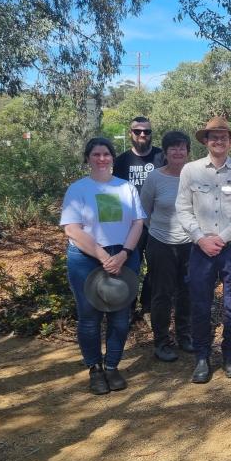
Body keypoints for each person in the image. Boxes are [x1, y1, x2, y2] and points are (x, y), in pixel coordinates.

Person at [60, 137, 145, 394]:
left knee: (120, 317)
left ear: (112, 157)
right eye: (96, 154)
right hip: (86, 259)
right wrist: (102, 255)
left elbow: (137, 223)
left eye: (106, 154)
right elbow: (71, 228)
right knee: (89, 318)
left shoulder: (126, 187)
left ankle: (112, 367)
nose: (101, 159)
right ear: (87, 158)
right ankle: (95, 369)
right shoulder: (78, 189)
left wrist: (123, 254)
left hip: (123, 255)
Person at [176, 117, 231, 384]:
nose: (219, 140)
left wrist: (220, 238)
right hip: (200, 250)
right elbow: (183, 209)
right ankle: (202, 357)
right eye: (213, 136)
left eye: (223, 136)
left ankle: (230, 354)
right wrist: (200, 239)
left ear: (230, 141)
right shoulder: (190, 171)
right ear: (205, 141)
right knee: (200, 305)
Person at [140, 131, 194, 362]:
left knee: (187, 293)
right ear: (165, 152)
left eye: (182, 148)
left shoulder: (196, 176)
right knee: (161, 295)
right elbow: (144, 213)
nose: (178, 152)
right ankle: (161, 341)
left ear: (188, 152)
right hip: (161, 244)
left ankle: (184, 336)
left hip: (191, 244)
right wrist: (161, 231)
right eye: (173, 148)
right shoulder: (155, 178)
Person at [113, 116, 165, 318]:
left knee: (155, 267)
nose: (142, 134)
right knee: (130, 266)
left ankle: (148, 307)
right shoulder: (122, 161)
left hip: (157, 223)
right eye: (137, 131)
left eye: (147, 131)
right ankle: (128, 307)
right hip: (130, 225)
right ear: (131, 134)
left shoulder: (161, 156)